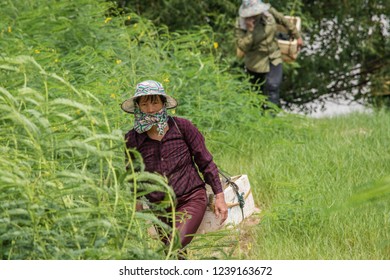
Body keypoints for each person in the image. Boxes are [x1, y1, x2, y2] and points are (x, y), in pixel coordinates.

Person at [121, 80, 228, 252]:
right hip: (159, 208)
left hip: (190, 199)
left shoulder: (182, 127)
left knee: (173, 246)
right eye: (145, 104)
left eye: (155, 102)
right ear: (137, 107)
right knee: (176, 255)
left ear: (163, 104)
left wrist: (219, 196)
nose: (150, 109)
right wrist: (137, 204)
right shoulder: (132, 139)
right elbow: (133, 175)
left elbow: (205, 161)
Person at [235, 0, 303, 108]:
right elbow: (242, 46)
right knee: (257, 93)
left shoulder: (268, 13)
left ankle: (273, 115)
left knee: (273, 85)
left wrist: (297, 36)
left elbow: (283, 20)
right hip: (255, 62)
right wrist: (250, 31)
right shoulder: (241, 23)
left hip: (273, 56)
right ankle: (259, 118)